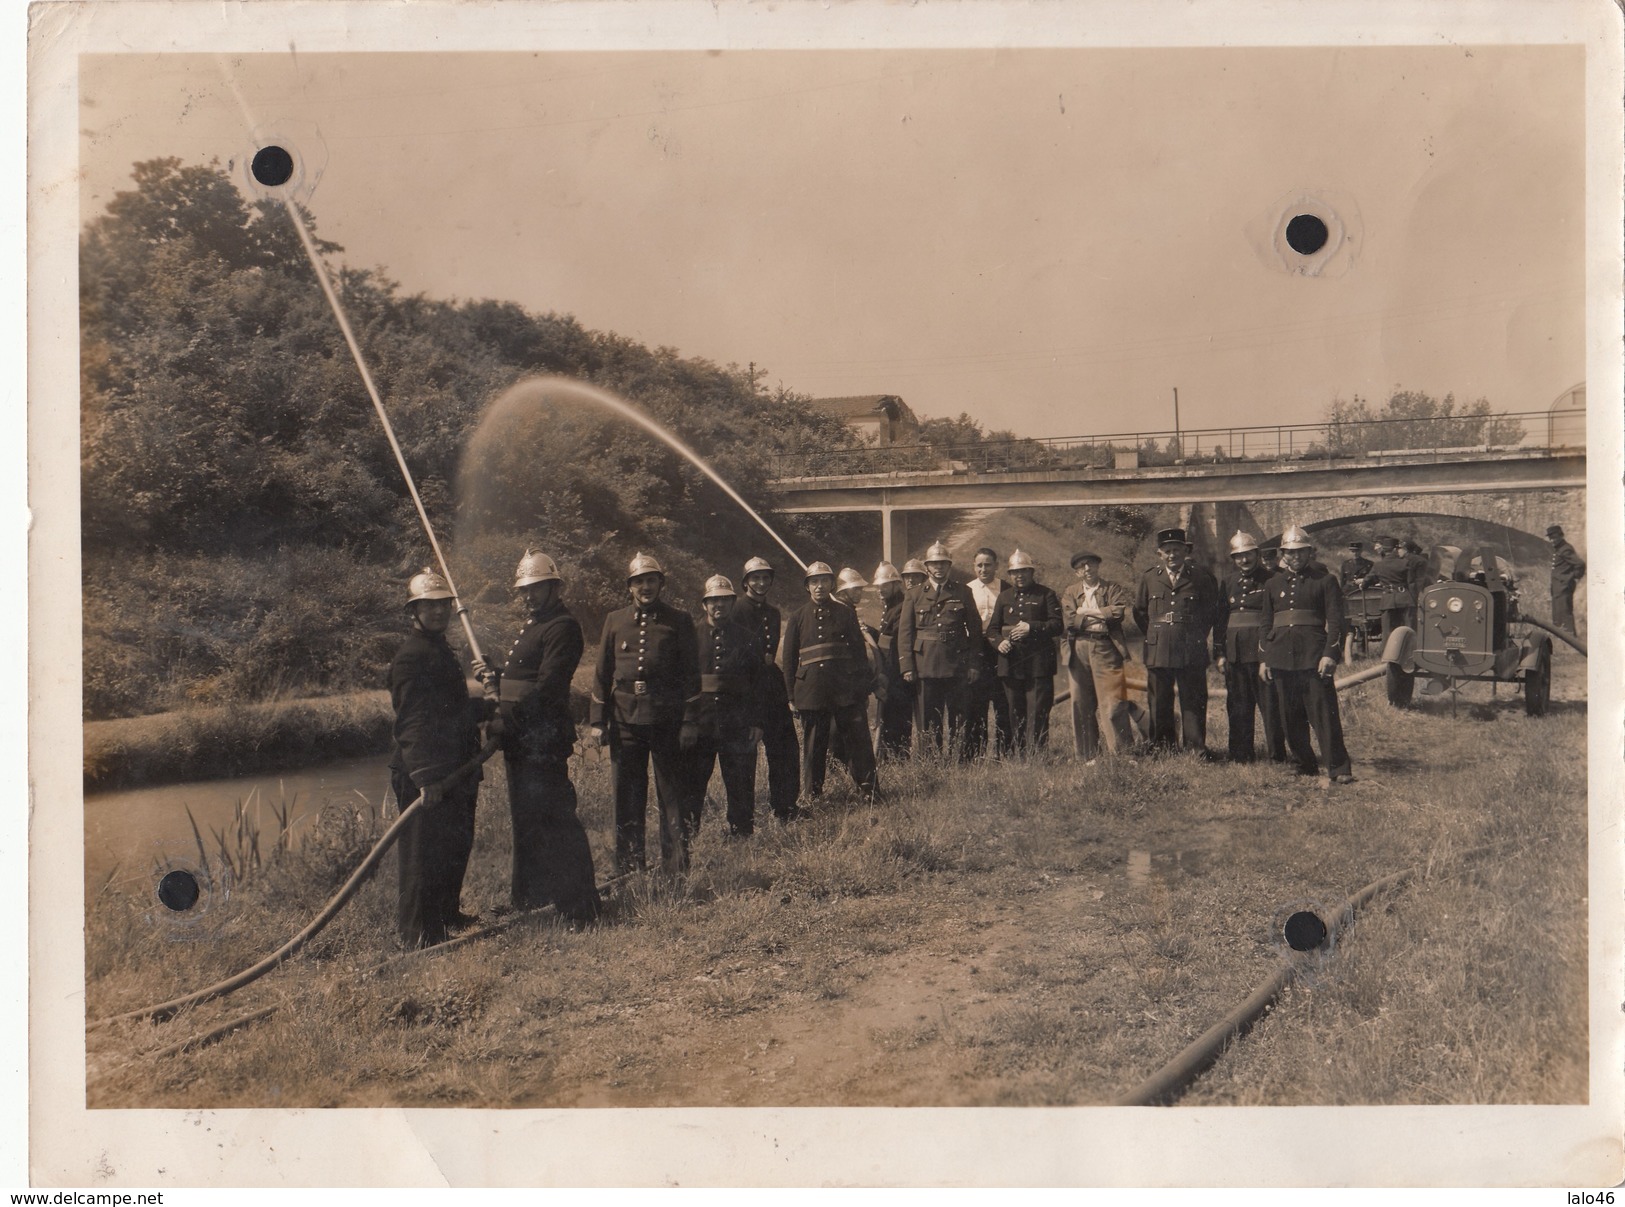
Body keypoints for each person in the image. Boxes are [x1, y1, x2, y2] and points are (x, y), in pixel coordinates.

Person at [475, 550, 600, 923]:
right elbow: (523, 680)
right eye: (524, 590)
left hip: (541, 739)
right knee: (526, 820)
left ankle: (580, 907)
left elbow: (546, 688)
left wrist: (507, 722)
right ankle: (531, 897)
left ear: (554, 588)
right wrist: (496, 676)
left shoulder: (562, 626)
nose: (528, 595)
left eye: (536, 588)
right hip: (521, 739)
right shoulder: (533, 624)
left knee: (555, 820)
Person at [387, 568, 483, 948]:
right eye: (429, 606)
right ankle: (417, 936)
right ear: (415, 612)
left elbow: (450, 708)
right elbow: (412, 720)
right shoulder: (411, 657)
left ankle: (445, 915)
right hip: (424, 769)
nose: (439, 612)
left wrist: (487, 704)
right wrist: (424, 777)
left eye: (443, 605)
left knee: (453, 845)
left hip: (456, 767)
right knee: (420, 855)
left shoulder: (440, 649)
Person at [589, 552, 701, 874]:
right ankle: (628, 865)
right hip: (625, 719)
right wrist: (598, 720)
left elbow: (691, 675)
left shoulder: (679, 620)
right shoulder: (614, 620)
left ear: (661, 583)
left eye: (651, 580)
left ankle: (676, 864)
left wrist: (689, 720)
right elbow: (601, 671)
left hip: (666, 719)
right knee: (626, 794)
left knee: (672, 795)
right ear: (630, 587)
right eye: (639, 581)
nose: (645, 587)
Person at [1260, 526, 1353, 784]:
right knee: (1289, 717)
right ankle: (1304, 763)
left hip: (1314, 657)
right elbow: (1266, 624)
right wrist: (1265, 659)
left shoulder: (1325, 581)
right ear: (1283, 555)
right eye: (1290, 553)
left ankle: (1338, 767)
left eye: (1301, 552)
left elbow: (1336, 622)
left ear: (1309, 552)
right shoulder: (1272, 584)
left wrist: (1330, 654)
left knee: (1324, 714)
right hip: (1280, 657)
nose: (1296, 557)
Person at [780, 562, 878, 800]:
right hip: (811, 692)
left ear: (832, 584)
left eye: (824, 581)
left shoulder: (845, 612)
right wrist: (791, 697)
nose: (819, 586)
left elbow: (858, 653)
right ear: (807, 587)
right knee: (814, 746)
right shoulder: (797, 617)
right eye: (814, 581)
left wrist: (862, 690)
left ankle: (869, 790)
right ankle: (813, 795)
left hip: (845, 690)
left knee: (858, 741)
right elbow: (790, 660)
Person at [682, 575, 765, 838]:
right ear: (704, 604)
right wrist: (686, 722)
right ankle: (688, 837)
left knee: (741, 783)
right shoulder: (689, 638)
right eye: (714, 600)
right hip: (700, 724)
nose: (719, 605)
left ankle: (742, 835)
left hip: (737, 724)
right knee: (692, 784)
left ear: (732, 602)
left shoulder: (749, 638)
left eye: (725, 600)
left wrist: (757, 722)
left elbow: (759, 685)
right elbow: (682, 683)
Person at [1133, 527, 1221, 756]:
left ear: (1185, 550)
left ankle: (1195, 748)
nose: (1172, 555)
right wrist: (1157, 632)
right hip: (1158, 647)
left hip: (1190, 647)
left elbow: (1211, 613)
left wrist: (1193, 634)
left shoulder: (1201, 577)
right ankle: (1163, 748)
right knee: (1159, 700)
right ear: (1160, 554)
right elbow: (1140, 613)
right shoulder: (1150, 577)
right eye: (1167, 551)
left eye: (1177, 549)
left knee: (1193, 699)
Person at [899, 541, 984, 759]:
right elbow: (905, 633)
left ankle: (959, 759)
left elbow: (975, 632)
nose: (939, 568)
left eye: (943, 564)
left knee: (958, 716)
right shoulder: (914, 594)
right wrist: (907, 666)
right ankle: (931, 760)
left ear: (949, 566)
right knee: (928, 717)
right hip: (925, 663)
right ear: (927, 567)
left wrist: (974, 664)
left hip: (956, 663)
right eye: (934, 564)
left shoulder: (963, 592)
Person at [732, 556, 801, 820]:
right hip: (746, 688)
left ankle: (785, 806)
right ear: (746, 582)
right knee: (744, 754)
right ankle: (742, 816)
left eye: (765, 578)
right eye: (755, 578)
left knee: (785, 748)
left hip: (771, 687)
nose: (761, 583)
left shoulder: (773, 613)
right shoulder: (736, 610)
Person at [1214, 532, 1286, 765]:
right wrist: (1220, 653)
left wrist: (1273, 651)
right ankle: (1241, 755)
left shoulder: (1273, 579)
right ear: (1233, 559)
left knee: (1270, 706)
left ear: (1256, 554)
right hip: (1235, 652)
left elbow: (1277, 618)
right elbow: (1221, 620)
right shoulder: (1228, 582)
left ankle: (1277, 755)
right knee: (1238, 705)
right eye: (1239, 557)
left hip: (1262, 651)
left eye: (1248, 555)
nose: (1244, 561)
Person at [1060, 551, 1134, 763]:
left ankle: (1122, 754)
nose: (1087, 570)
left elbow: (1118, 612)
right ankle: (1087, 755)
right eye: (1082, 567)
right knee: (1080, 702)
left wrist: (1087, 612)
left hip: (1105, 646)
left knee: (1113, 700)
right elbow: (1071, 621)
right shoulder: (1070, 592)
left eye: (1091, 565)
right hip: (1078, 647)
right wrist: (1101, 613)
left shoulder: (1111, 588)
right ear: (1076, 572)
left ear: (1098, 567)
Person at [987, 549, 1063, 753]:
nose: (1019, 576)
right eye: (1014, 572)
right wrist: (999, 643)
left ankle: (1037, 754)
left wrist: (1032, 627)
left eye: (1023, 571)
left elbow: (1058, 625)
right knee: (1014, 711)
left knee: (1038, 712)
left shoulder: (1046, 594)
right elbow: (992, 630)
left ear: (1031, 572)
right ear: (1010, 575)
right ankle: (1017, 754)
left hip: (1039, 665)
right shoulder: (1004, 597)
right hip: (1011, 664)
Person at [964, 548, 1013, 759]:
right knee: (976, 703)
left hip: (1001, 649)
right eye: (979, 565)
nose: (984, 569)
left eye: (988, 564)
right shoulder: (967, 589)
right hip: (976, 649)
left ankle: (1005, 752)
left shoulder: (1006, 588)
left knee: (1003, 701)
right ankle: (975, 753)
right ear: (974, 567)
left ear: (996, 565)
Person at [871, 561, 915, 759]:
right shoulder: (889, 606)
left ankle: (900, 756)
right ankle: (889, 756)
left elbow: (895, 639)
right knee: (889, 714)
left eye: (885, 586)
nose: (881, 590)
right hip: (890, 668)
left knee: (899, 715)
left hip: (898, 670)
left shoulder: (901, 606)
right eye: (878, 586)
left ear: (896, 585)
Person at [1362, 535, 1413, 642]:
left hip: (1388, 601)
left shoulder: (1378, 565)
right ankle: (1409, 653)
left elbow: (1366, 582)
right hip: (1405, 599)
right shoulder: (1405, 563)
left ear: (1385, 550)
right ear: (1395, 549)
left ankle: (1388, 655)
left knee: (1388, 631)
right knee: (1408, 629)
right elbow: (1411, 582)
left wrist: (1363, 585)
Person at [1548, 524, 1585, 632]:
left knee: (1565, 613)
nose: (1552, 540)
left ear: (1561, 536)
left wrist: (1570, 578)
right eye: (1550, 538)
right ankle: (1561, 639)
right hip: (1558, 588)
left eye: (1554, 537)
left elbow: (1580, 564)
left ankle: (1571, 640)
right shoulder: (1559, 549)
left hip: (1564, 587)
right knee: (1558, 614)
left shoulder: (1565, 549)